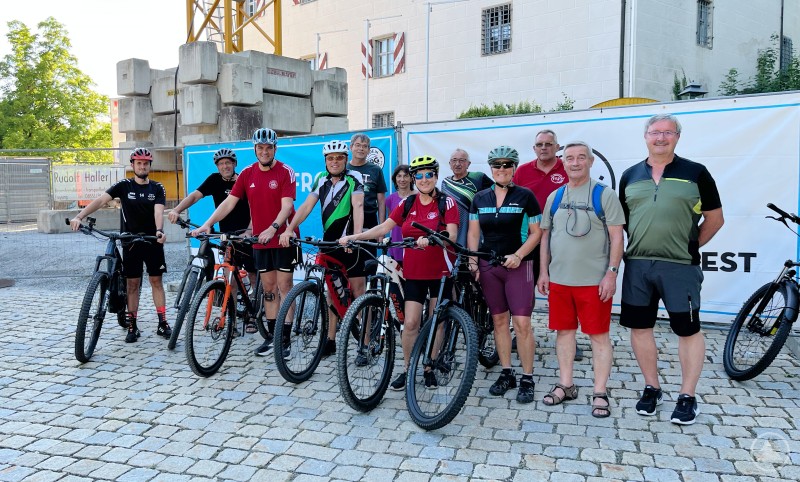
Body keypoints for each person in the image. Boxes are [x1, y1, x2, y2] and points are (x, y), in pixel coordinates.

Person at [619, 114, 724, 425]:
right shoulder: (630, 175)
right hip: (638, 265)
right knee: (640, 328)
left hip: (680, 268)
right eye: (655, 132)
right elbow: (624, 222)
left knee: (688, 330)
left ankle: (687, 395)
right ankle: (652, 388)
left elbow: (715, 219)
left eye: (667, 132)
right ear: (645, 136)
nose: (660, 138)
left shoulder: (696, 173)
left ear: (677, 137)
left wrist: (689, 247)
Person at [340, 155, 458, 391]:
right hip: (414, 272)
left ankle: (429, 367)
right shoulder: (407, 204)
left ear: (435, 176)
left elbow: (453, 234)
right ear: (415, 179)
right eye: (420, 175)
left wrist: (433, 238)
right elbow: (384, 227)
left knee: (437, 322)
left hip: (440, 271)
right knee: (411, 323)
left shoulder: (447, 202)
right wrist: (355, 236)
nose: (424, 179)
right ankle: (408, 368)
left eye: (429, 174)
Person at [193, 128, 299, 357]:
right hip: (259, 240)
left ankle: (286, 338)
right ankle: (272, 337)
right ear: (254, 150)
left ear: (274, 149)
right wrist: (207, 223)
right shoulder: (248, 173)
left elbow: (287, 206)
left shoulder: (285, 172)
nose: (264, 151)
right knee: (269, 289)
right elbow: (229, 203)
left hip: (281, 239)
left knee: (284, 287)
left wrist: (273, 228)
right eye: (260, 148)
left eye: (268, 147)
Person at [537, 141, 625, 417]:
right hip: (560, 280)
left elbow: (616, 237)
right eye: (570, 158)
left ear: (590, 162)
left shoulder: (605, 195)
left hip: (594, 281)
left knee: (599, 336)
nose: (575, 163)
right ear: (563, 162)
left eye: (581, 158)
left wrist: (611, 274)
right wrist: (543, 272)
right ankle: (566, 384)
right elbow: (545, 237)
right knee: (564, 333)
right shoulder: (555, 196)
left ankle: (600, 392)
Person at [70, 148, 171, 343]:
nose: (142, 166)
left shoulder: (158, 188)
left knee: (156, 282)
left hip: (152, 240)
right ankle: (132, 324)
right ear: (132, 165)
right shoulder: (124, 186)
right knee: (132, 284)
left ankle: (162, 322)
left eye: (146, 163)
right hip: (130, 242)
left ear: (150, 165)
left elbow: (159, 212)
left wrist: (159, 230)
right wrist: (79, 216)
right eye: (139, 163)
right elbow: (101, 200)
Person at [468, 146, 542, 404]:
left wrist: (519, 255)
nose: (502, 169)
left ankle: (527, 377)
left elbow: (536, 233)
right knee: (499, 322)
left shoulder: (526, 196)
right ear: (491, 168)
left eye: (507, 165)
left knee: (522, 324)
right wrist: (473, 260)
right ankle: (507, 372)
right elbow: (474, 234)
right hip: (490, 266)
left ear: (514, 168)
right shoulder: (480, 198)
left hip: (519, 266)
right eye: (497, 165)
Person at [279, 140, 365, 357]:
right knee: (331, 292)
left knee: (358, 292)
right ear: (325, 161)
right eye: (330, 158)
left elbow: (359, 206)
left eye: (339, 158)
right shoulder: (320, 179)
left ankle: (364, 343)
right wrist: (289, 229)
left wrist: (354, 237)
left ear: (346, 160)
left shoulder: (354, 178)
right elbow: (307, 206)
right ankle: (331, 339)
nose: (334, 162)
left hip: (351, 241)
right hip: (329, 243)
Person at [168, 148, 258, 332]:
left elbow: (254, 209)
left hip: (246, 237)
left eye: (228, 162)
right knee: (229, 280)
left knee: (254, 276)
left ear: (234, 164)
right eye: (221, 164)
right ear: (217, 166)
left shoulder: (243, 180)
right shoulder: (214, 179)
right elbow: (195, 195)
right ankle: (230, 316)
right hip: (227, 236)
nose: (225, 166)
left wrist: (248, 232)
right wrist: (176, 209)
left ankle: (253, 315)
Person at [513, 129, 584, 361]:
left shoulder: (567, 168)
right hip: (530, 239)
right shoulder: (522, 171)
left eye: (548, 144)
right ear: (534, 148)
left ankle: (568, 337)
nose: (544, 147)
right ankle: (522, 333)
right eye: (539, 144)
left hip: (564, 239)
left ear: (557, 147)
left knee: (565, 289)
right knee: (526, 289)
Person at [441, 148, 493, 247]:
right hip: (452, 229)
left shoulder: (478, 177)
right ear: (449, 163)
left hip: (475, 228)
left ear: (468, 164)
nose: (457, 164)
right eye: (454, 160)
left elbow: (496, 194)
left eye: (462, 160)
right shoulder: (445, 182)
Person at [384, 164, 415, 265]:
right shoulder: (390, 199)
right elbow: (391, 223)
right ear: (395, 179)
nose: (402, 179)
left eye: (406, 176)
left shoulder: (418, 196)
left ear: (411, 178)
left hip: (414, 242)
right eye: (399, 176)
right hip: (397, 242)